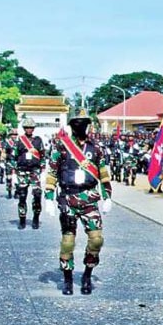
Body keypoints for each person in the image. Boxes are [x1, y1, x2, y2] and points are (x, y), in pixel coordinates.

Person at [44, 112, 113, 295]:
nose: (81, 127)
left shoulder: (96, 147)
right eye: (78, 123)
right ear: (72, 126)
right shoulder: (62, 146)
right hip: (68, 199)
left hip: (89, 198)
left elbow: (103, 173)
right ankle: (67, 278)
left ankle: (87, 274)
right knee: (68, 242)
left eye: (84, 123)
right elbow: (52, 172)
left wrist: (107, 196)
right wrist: (49, 197)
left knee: (96, 239)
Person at [14, 118, 46, 229]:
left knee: (37, 194)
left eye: (31, 127)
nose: (29, 129)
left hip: (34, 171)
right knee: (22, 196)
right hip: (22, 170)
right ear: (24, 128)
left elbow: (42, 154)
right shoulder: (19, 140)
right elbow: (15, 155)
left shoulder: (38, 140)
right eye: (27, 127)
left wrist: (42, 166)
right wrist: (15, 168)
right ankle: (22, 219)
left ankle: (36, 217)